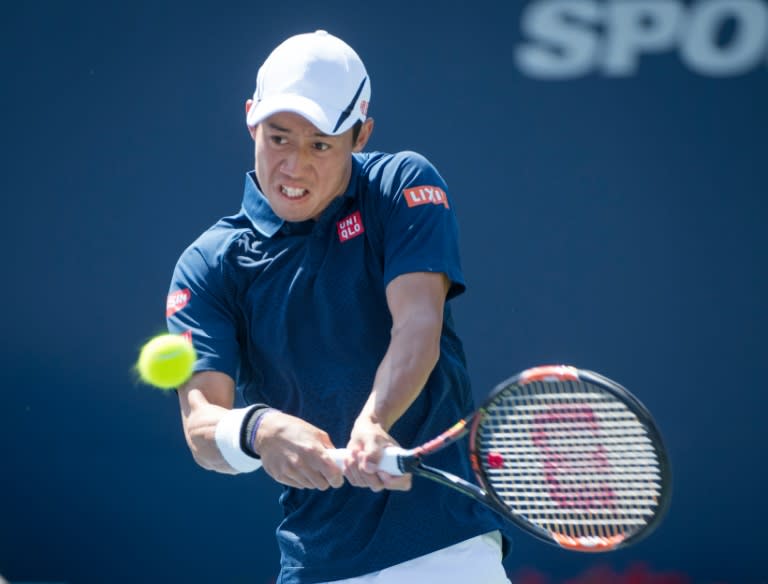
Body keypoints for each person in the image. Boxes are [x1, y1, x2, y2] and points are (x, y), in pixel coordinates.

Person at [166, 30, 511, 584]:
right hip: (316, 564)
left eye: (320, 145)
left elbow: (418, 323)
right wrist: (260, 430)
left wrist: (375, 421)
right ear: (251, 118)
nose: (294, 167)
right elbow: (201, 427)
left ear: (361, 134)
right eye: (278, 138)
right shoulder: (209, 265)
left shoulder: (402, 185)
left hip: (446, 553)